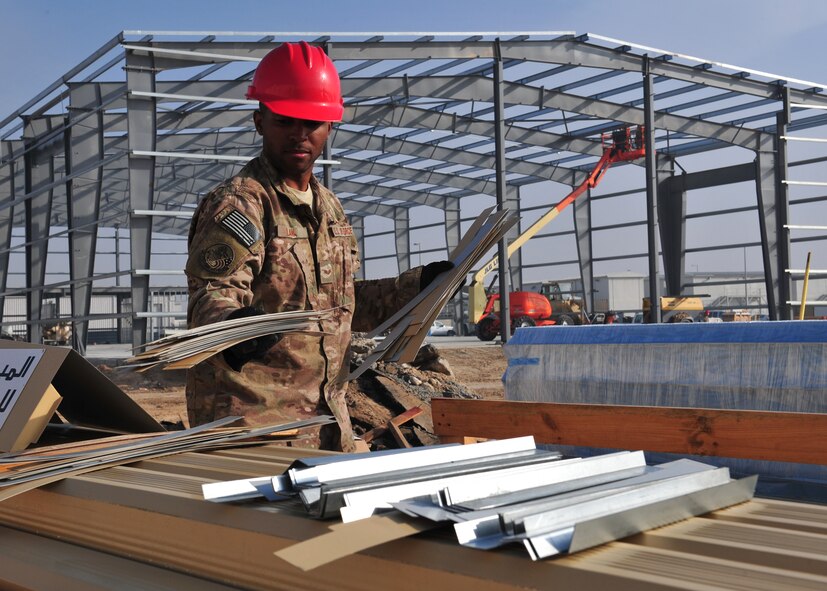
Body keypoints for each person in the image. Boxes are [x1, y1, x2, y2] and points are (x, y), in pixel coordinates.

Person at [184, 41, 451, 451]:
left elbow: (340, 306)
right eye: (285, 121)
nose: (299, 134)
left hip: (327, 425)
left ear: (330, 126)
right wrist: (238, 328)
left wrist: (413, 288)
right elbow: (211, 295)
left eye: (312, 122)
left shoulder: (330, 208)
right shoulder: (241, 203)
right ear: (259, 121)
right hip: (255, 429)